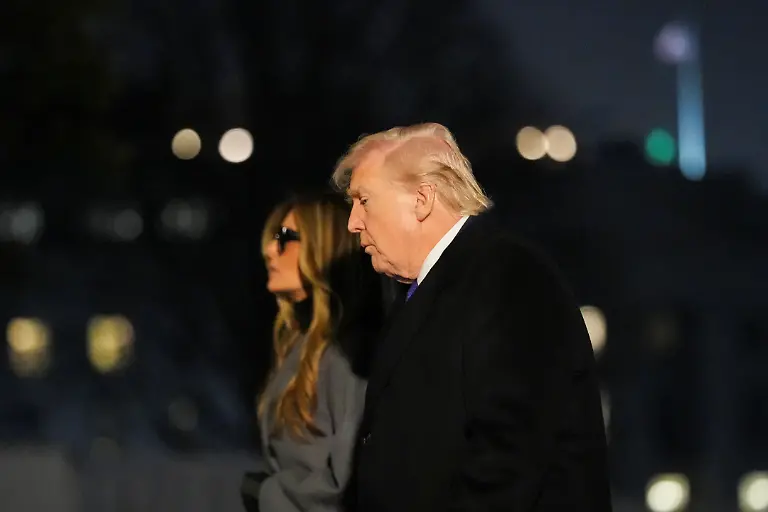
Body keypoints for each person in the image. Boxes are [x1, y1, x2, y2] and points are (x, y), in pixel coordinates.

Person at [332, 123, 612, 511]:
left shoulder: (510, 278)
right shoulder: (432, 289)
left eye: (363, 200)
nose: (353, 223)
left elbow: (507, 457)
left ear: (422, 199)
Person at [241, 192, 384, 512]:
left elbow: (344, 484)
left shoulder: (347, 354)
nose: (268, 250)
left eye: (285, 238)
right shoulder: (300, 345)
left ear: (325, 245)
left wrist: (264, 492)